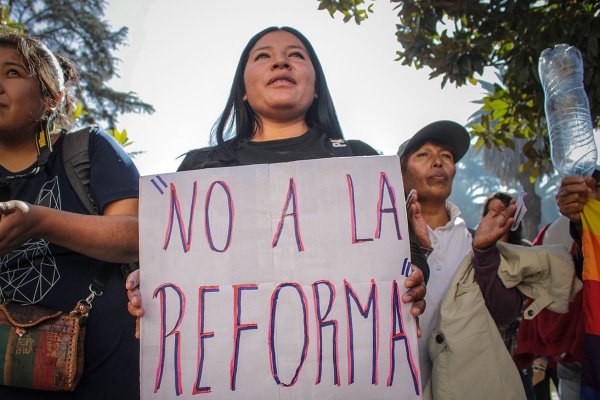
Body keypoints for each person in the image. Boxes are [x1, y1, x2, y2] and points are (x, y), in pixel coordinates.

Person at [126, 26, 427, 340]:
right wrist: (150, 284)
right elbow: (171, 261)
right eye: (263, 56)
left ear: (317, 88)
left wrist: (417, 279)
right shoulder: (199, 169)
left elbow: (408, 255)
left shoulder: (361, 161)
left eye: (295, 55)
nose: (281, 63)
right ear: (242, 88)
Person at [0, 33, 139, 399]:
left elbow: (135, 236)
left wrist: (37, 221)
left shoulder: (88, 148)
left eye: (12, 72)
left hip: (107, 373)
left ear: (52, 99)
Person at [397, 121, 523, 390]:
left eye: (446, 156)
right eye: (423, 155)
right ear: (399, 171)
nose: (438, 163)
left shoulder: (473, 240)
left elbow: (506, 313)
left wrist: (484, 254)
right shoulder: (382, 239)